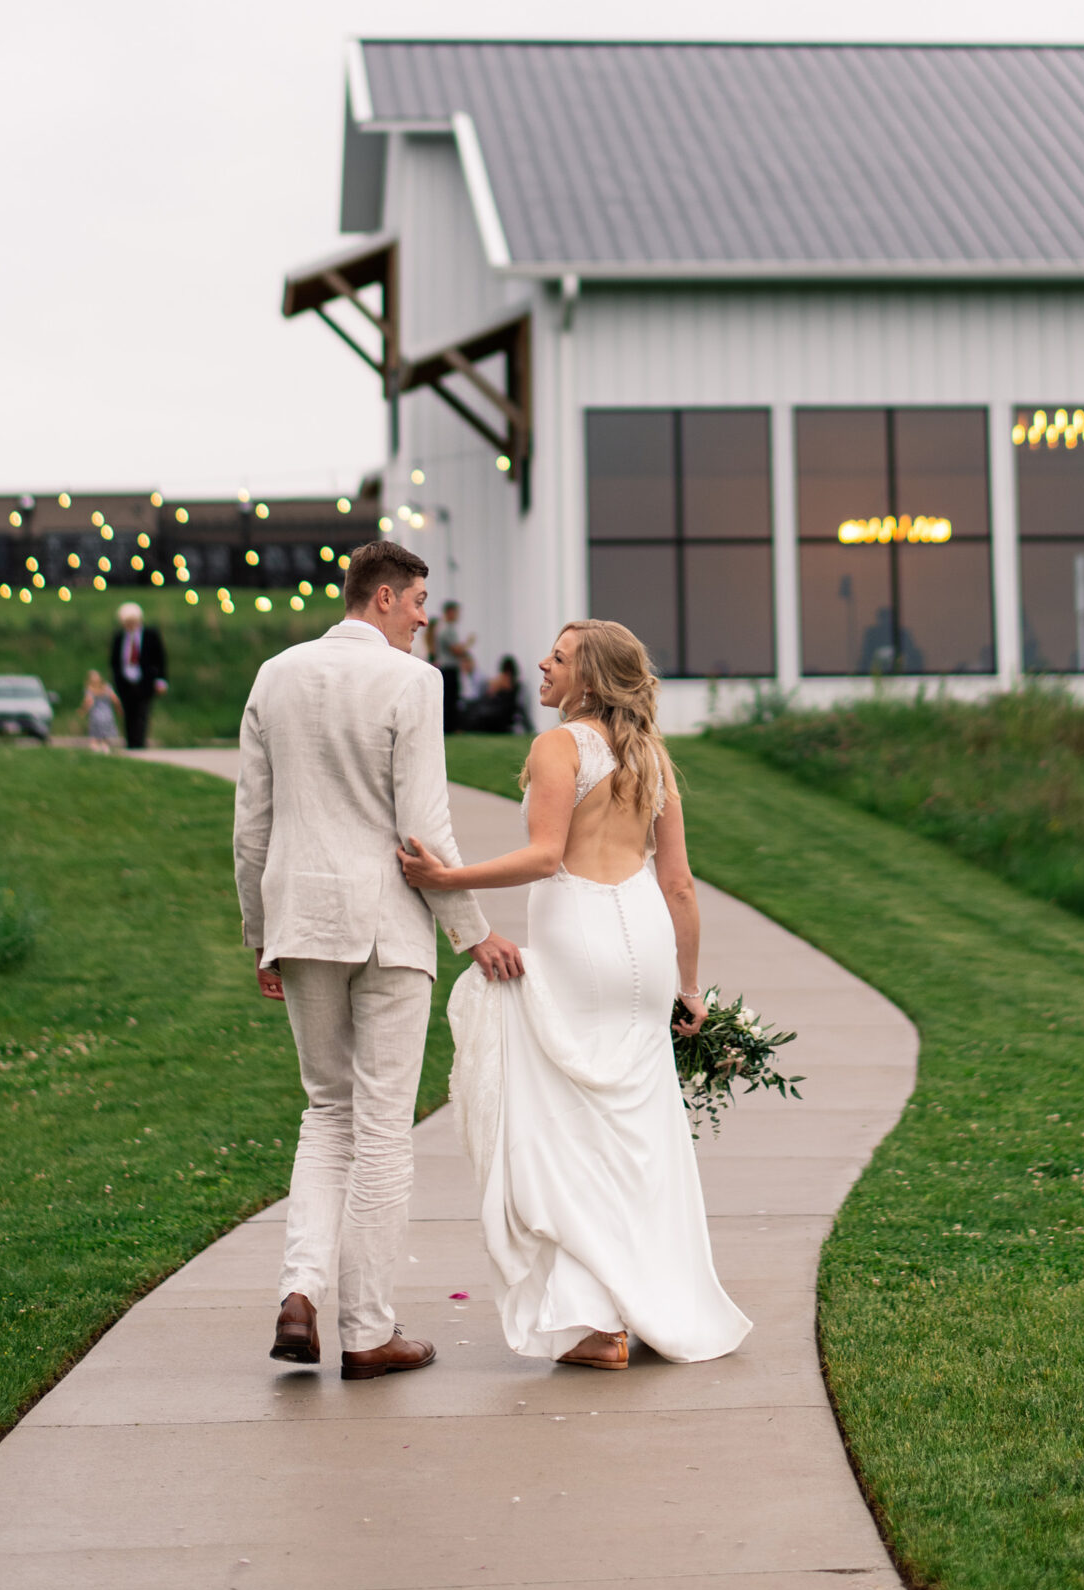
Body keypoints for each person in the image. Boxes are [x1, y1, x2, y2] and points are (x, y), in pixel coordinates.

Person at [401, 618, 751, 1371]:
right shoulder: (651, 756)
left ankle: (596, 1322)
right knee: (636, 1128)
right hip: (645, 944)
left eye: (558, 658)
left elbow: (542, 857)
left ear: (588, 679)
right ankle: (652, 1307)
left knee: (565, 1127)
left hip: (580, 936)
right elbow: (678, 883)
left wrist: (445, 880)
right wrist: (689, 988)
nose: (542, 664)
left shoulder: (558, 747)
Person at [233, 538, 524, 1381]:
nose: (426, 620)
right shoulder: (411, 681)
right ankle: (366, 1331)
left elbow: (252, 824)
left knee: (326, 1111)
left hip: (302, 920)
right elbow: (421, 825)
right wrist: (474, 932)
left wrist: (262, 935)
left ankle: (299, 1293)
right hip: (387, 932)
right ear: (385, 597)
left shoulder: (274, 675)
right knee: (382, 1124)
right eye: (420, 602)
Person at [110, 602, 168, 748]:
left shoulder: (150, 636)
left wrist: (161, 680)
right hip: (125, 680)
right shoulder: (119, 638)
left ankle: (139, 743)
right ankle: (130, 743)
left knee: (142, 712)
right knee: (128, 712)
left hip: (145, 680)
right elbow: (114, 661)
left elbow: (160, 659)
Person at [431, 599, 473, 737]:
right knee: (450, 700)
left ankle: (449, 727)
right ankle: (450, 728)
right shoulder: (446, 630)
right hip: (448, 669)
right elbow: (456, 650)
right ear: (450, 612)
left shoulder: (445, 628)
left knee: (450, 699)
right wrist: (468, 644)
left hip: (447, 668)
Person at [460, 655, 530, 735]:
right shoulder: (508, 683)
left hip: (500, 716)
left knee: (476, 713)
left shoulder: (506, 683)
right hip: (497, 712)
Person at [81, 669, 120, 748]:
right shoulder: (107, 687)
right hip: (108, 715)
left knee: (95, 737)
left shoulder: (89, 690)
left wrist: (82, 710)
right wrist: (118, 709)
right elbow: (115, 699)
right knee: (105, 737)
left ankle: (95, 749)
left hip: (96, 716)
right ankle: (105, 748)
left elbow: (89, 701)